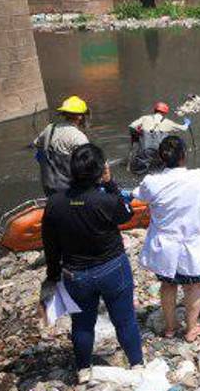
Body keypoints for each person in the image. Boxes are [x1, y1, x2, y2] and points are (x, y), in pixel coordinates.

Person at [41, 144, 145, 377]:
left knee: (82, 324)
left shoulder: (55, 203)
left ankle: (83, 370)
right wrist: (109, 183)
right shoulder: (105, 201)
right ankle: (137, 364)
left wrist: (53, 274)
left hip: (75, 274)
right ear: (100, 170)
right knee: (125, 319)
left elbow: (50, 243)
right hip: (112, 268)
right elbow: (127, 213)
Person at [134, 135, 200, 339]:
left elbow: (139, 194)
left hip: (165, 246)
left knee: (168, 285)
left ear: (161, 156)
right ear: (184, 155)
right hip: (191, 244)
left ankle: (170, 327)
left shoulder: (152, 182)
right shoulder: (199, 177)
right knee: (192, 286)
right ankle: (191, 328)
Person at [32, 95, 91, 196]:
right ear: (80, 116)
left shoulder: (49, 129)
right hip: (70, 192)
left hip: (49, 187)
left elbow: (36, 144)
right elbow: (88, 167)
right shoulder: (79, 138)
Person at [128, 100, 188, 174]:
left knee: (139, 171)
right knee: (159, 170)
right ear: (165, 113)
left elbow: (131, 126)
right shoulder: (168, 122)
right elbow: (184, 128)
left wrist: (138, 133)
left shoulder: (145, 118)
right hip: (160, 151)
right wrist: (187, 123)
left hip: (145, 149)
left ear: (155, 110)